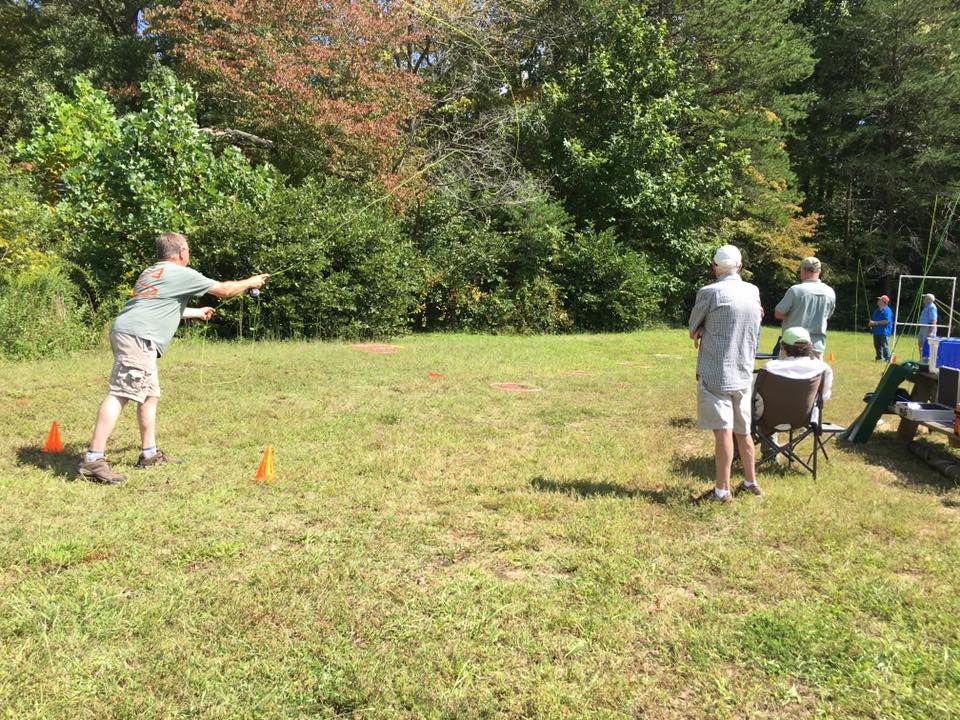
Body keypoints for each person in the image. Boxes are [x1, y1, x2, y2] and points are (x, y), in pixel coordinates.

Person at [76, 231, 269, 484]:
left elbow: (160, 307)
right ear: (181, 252)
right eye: (188, 249)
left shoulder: (151, 272)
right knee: (121, 393)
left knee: (149, 395)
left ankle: (149, 454)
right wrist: (251, 282)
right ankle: (93, 459)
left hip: (130, 332)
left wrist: (196, 312)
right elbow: (225, 289)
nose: (188, 253)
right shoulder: (179, 273)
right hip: (138, 336)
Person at [688, 244, 763, 504]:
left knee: (723, 432)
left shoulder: (709, 292)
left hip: (715, 372)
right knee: (743, 431)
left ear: (714, 267)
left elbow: (692, 326)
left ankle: (722, 490)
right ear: (740, 267)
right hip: (743, 371)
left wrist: (701, 330)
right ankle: (751, 481)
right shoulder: (753, 291)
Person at [756, 326, 833, 425]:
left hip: (766, 418)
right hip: (803, 420)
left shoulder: (770, 367)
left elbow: (754, 393)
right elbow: (824, 396)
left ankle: (768, 437)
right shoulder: (823, 368)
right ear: (810, 346)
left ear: (782, 347)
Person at [774, 256, 835, 359]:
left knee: (788, 374)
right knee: (814, 374)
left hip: (792, 345)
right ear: (819, 271)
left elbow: (778, 313)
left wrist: (793, 317)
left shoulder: (795, 290)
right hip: (817, 345)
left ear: (804, 270)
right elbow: (828, 316)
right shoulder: (830, 292)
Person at [869, 294, 894, 362]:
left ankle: (888, 359)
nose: (878, 300)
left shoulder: (887, 310)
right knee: (877, 345)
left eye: (879, 299)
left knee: (885, 346)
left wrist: (875, 323)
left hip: (884, 331)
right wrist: (871, 323)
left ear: (883, 302)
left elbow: (886, 321)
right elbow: (873, 320)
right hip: (876, 331)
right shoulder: (876, 310)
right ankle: (879, 358)